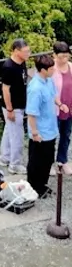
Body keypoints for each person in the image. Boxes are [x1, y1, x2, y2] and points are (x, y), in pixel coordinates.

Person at [26, 52, 58, 199]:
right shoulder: (35, 88)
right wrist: (34, 132)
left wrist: (60, 104)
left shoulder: (49, 81)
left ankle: (42, 184)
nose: (54, 70)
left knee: (47, 159)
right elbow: (31, 113)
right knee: (36, 161)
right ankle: (34, 186)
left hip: (50, 128)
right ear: (43, 70)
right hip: (40, 131)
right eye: (51, 68)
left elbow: (53, 95)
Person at [0, 38, 30, 174]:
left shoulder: (21, 63)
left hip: (20, 103)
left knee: (9, 130)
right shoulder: (8, 67)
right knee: (17, 135)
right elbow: (5, 89)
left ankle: (4, 157)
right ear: (16, 51)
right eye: (25, 51)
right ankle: (14, 164)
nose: (28, 53)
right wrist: (10, 109)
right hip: (13, 106)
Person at [53, 41, 72, 176]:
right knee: (51, 136)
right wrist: (59, 104)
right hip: (54, 108)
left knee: (66, 135)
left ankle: (62, 160)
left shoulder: (71, 67)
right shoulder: (51, 69)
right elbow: (48, 91)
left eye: (66, 56)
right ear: (54, 55)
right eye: (60, 56)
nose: (63, 59)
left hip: (69, 107)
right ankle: (48, 162)